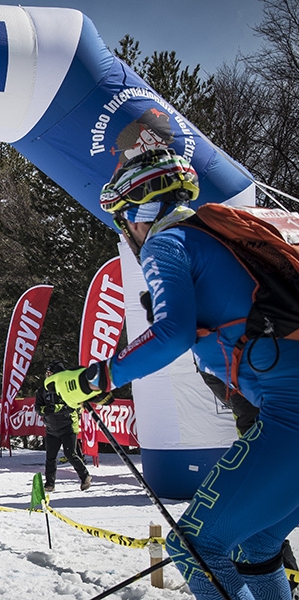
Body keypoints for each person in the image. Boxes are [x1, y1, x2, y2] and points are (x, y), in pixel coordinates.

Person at [45, 147, 299, 600]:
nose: (128, 234)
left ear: (137, 212)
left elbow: (172, 334)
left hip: (291, 412)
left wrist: (94, 380)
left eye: (124, 221)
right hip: (286, 405)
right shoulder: (214, 237)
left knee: (194, 548)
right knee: (257, 548)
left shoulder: (168, 242)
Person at [35, 360, 91, 493]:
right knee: (50, 457)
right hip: (51, 428)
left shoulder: (67, 387)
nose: (48, 376)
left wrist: (57, 408)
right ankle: (49, 484)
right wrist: (45, 410)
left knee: (70, 454)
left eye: (51, 373)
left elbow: (74, 406)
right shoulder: (42, 390)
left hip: (68, 426)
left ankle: (85, 476)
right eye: (47, 373)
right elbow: (38, 407)